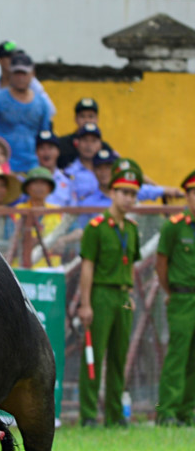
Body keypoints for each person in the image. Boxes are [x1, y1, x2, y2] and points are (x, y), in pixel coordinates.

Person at [76, 159, 145, 427]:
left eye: (133, 194)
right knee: (94, 355)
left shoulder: (132, 229)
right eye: (124, 192)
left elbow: (133, 266)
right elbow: (87, 267)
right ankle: (89, 415)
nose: (128, 199)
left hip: (124, 297)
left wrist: (131, 295)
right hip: (101, 295)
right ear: (112, 192)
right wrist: (85, 304)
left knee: (119, 357)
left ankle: (116, 416)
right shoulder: (96, 227)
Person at [155, 169, 195, 426]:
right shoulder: (174, 226)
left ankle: (187, 410)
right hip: (182, 298)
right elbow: (162, 264)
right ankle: (167, 411)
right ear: (187, 196)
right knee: (177, 356)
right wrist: (170, 291)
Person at [0, 52, 49, 174]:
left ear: (32, 74)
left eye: (24, 73)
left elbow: (44, 138)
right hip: (0, 166)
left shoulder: (42, 103)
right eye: (17, 73)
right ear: (10, 74)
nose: (20, 78)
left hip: (32, 165)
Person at [35, 130, 74, 207]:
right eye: (42, 148)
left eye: (50, 148)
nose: (46, 152)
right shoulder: (29, 181)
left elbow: (73, 212)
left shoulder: (68, 181)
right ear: (36, 152)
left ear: (58, 152)